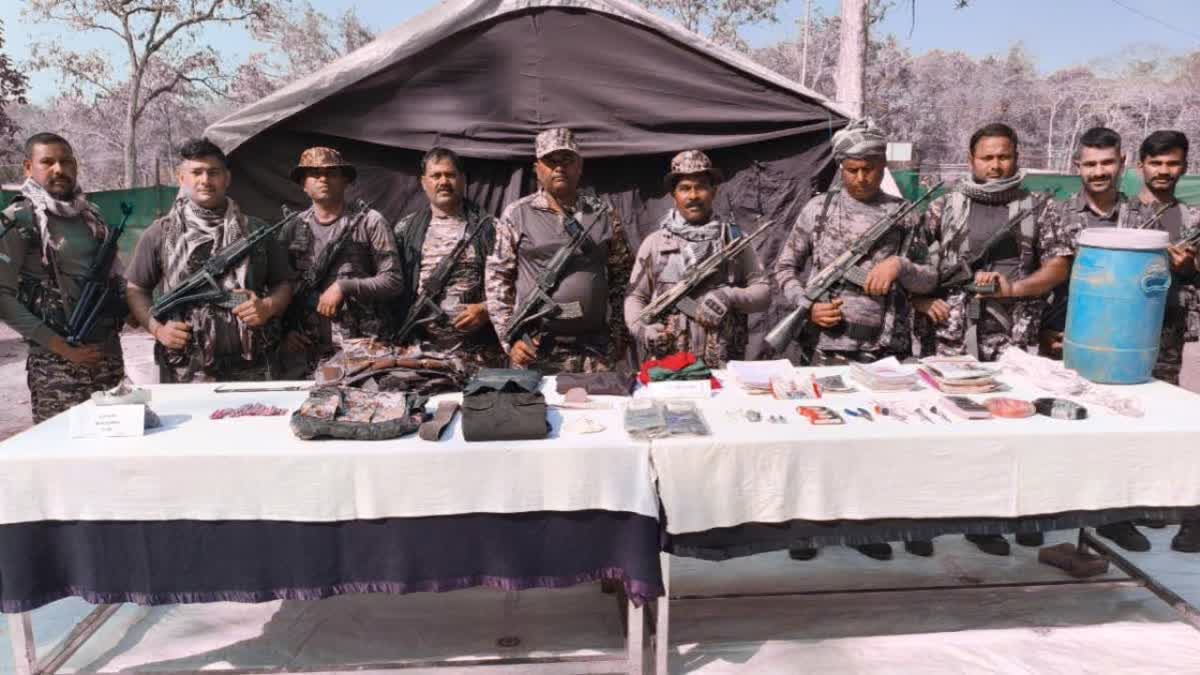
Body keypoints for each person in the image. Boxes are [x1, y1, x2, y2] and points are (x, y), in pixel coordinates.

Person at [772, 119, 937, 561]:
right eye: (852, 169)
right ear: (841, 167)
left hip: (884, 350)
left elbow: (930, 277)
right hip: (824, 348)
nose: (862, 178)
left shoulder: (905, 215)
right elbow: (783, 270)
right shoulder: (817, 211)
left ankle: (867, 527)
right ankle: (807, 530)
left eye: (870, 168)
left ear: (883, 165)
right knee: (816, 442)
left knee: (874, 443)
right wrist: (808, 305)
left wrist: (901, 266)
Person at [911, 122, 1071, 556]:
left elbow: (1059, 265)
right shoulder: (944, 207)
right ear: (971, 160)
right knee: (952, 424)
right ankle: (944, 514)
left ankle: (1011, 515)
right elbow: (910, 260)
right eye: (988, 157)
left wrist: (1014, 289)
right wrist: (921, 303)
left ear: (1017, 157)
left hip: (1015, 335)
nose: (997, 165)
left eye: (1004, 156)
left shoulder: (1038, 206)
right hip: (952, 334)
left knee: (1016, 425)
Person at [126, 138, 293, 383]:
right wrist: (158, 329)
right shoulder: (160, 233)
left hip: (253, 364)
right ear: (181, 178)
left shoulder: (256, 230)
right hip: (185, 368)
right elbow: (136, 289)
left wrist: (267, 307)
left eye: (213, 172)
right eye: (196, 172)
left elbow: (284, 284)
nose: (205, 180)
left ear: (227, 178)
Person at [0, 133, 125, 422]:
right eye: (48, 162)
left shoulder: (91, 216)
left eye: (66, 161)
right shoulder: (19, 219)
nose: (59, 169)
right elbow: (2, 298)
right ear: (28, 168)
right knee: (63, 457)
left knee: (116, 452)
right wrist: (63, 348)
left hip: (107, 358)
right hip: (57, 367)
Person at [485, 128, 632, 373]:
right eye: (551, 161)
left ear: (579, 166)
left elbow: (623, 276)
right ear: (536, 168)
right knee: (534, 411)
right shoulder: (518, 213)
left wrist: (619, 336)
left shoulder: (602, 213)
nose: (559, 168)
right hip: (535, 347)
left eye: (567, 160)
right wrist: (509, 339)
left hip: (594, 349)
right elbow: (497, 279)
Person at [624, 150, 769, 367]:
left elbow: (763, 292)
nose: (693, 196)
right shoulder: (655, 243)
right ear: (674, 194)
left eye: (701, 186)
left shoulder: (734, 240)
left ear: (714, 190)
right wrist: (643, 331)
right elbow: (635, 297)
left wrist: (729, 296)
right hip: (670, 364)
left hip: (724, 363)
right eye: (684, 188)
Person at [275, 146, 403, 378]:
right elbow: (281, 285)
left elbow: (393, 281)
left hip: (362, 348)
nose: (323, 178)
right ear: (304, 184)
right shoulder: (293, 228)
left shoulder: (370, 222)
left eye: (331, 173)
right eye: (314, 174)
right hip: (309, 349)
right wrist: (287, 329)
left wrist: (345, 286)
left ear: (345, 181)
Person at [393, 147, 501, 365]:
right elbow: (393, 287)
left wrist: (486, 309)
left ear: (463, 180)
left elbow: (515, 283)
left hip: (479, 356)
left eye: (450, 175)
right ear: (424, 183)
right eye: (436, 175)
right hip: (422, 355)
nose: (443, 181)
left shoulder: (489, 228)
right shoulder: (406, 229)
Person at [1039, 127, 1129, 359]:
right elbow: (1037, 276)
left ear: (1122, 161)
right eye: (1090, 164)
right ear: (1077, 165)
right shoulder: (1054, 213)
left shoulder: (1141, 218)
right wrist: (1042, 330)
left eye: (1107, 163)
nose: (1098, 172)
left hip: (1122, 338)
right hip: (1063, 337)